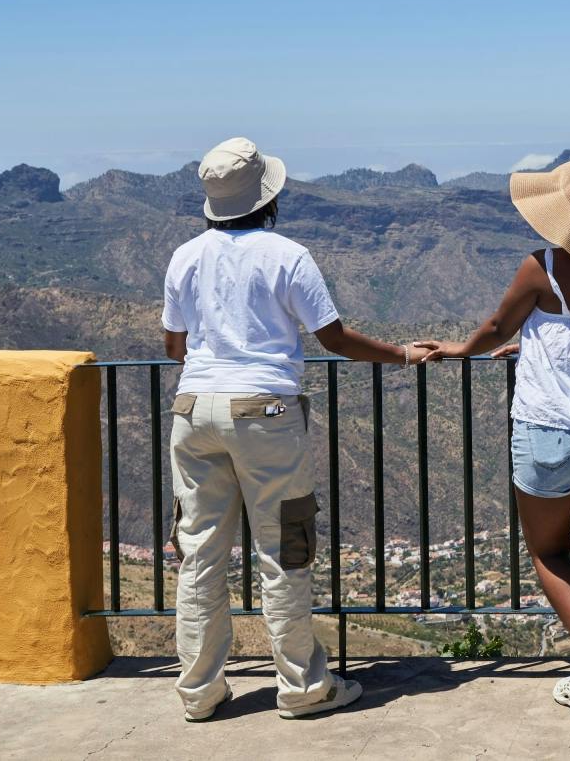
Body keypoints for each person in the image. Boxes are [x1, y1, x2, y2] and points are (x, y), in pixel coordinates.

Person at [163, 136, 427, 723]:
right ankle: (304, 688)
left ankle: (199, 692)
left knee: (200, 554)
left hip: (191, 410)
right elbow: (334, 339)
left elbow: (173, 344)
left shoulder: (184, 256)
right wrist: (404, 355)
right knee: (284, 548)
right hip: (266, 415)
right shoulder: (287, 255)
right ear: (267, 197)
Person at [415, 151, 570, 721]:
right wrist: (544, 342)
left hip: (551, 425)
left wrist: (458, 349)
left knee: (549, 551)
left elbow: (498, 326)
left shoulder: (542, 266)